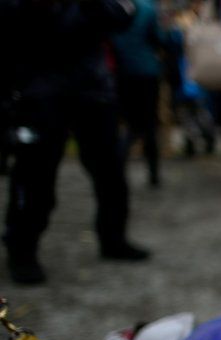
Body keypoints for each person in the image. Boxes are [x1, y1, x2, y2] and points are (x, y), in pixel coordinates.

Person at [1, 0, 150, 284]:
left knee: (110, 172)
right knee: (35, 178)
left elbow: (120, 17)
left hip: (92, 93)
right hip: (39, 96)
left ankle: (113, 238)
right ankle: (22, 250)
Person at [112, 0, 166, 187]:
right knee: (149, 124)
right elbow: (158, 38)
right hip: (146, 72)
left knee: (130, 124)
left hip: (123, 73)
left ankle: (118, 169)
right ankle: (153, 173)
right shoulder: (147, 9)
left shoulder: (114, 7)